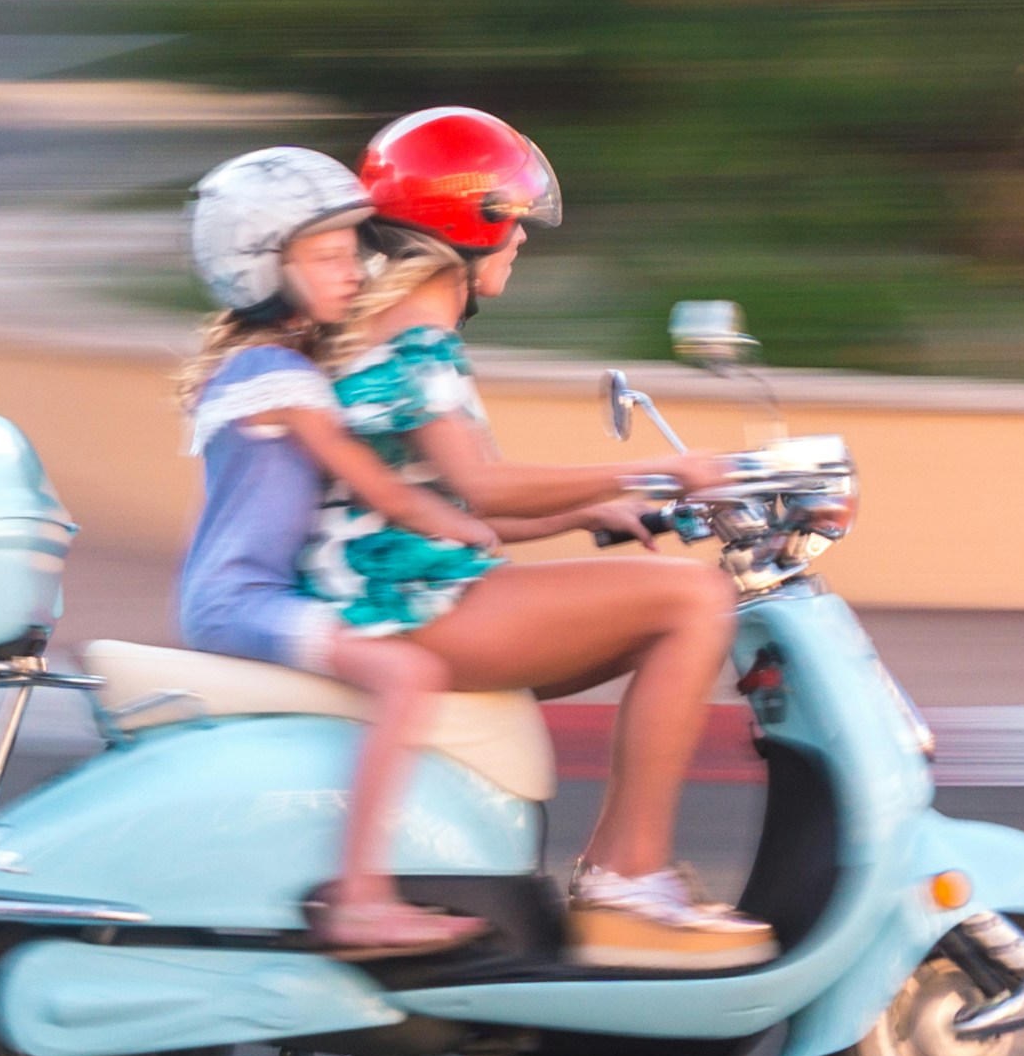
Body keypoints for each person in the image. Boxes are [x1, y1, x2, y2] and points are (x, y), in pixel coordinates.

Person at [169, 121, 769, 968]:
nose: (520, 238)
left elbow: (443, 502)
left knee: (662, 603)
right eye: (512, 219)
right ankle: (624, 876)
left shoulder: (386, 339)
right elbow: (480, 490)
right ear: (471, 224)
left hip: (403, 587)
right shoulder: (415, 343)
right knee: (694, 599)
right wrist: (665, 470)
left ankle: (617, 871)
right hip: (402, 606)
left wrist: (608, 507)